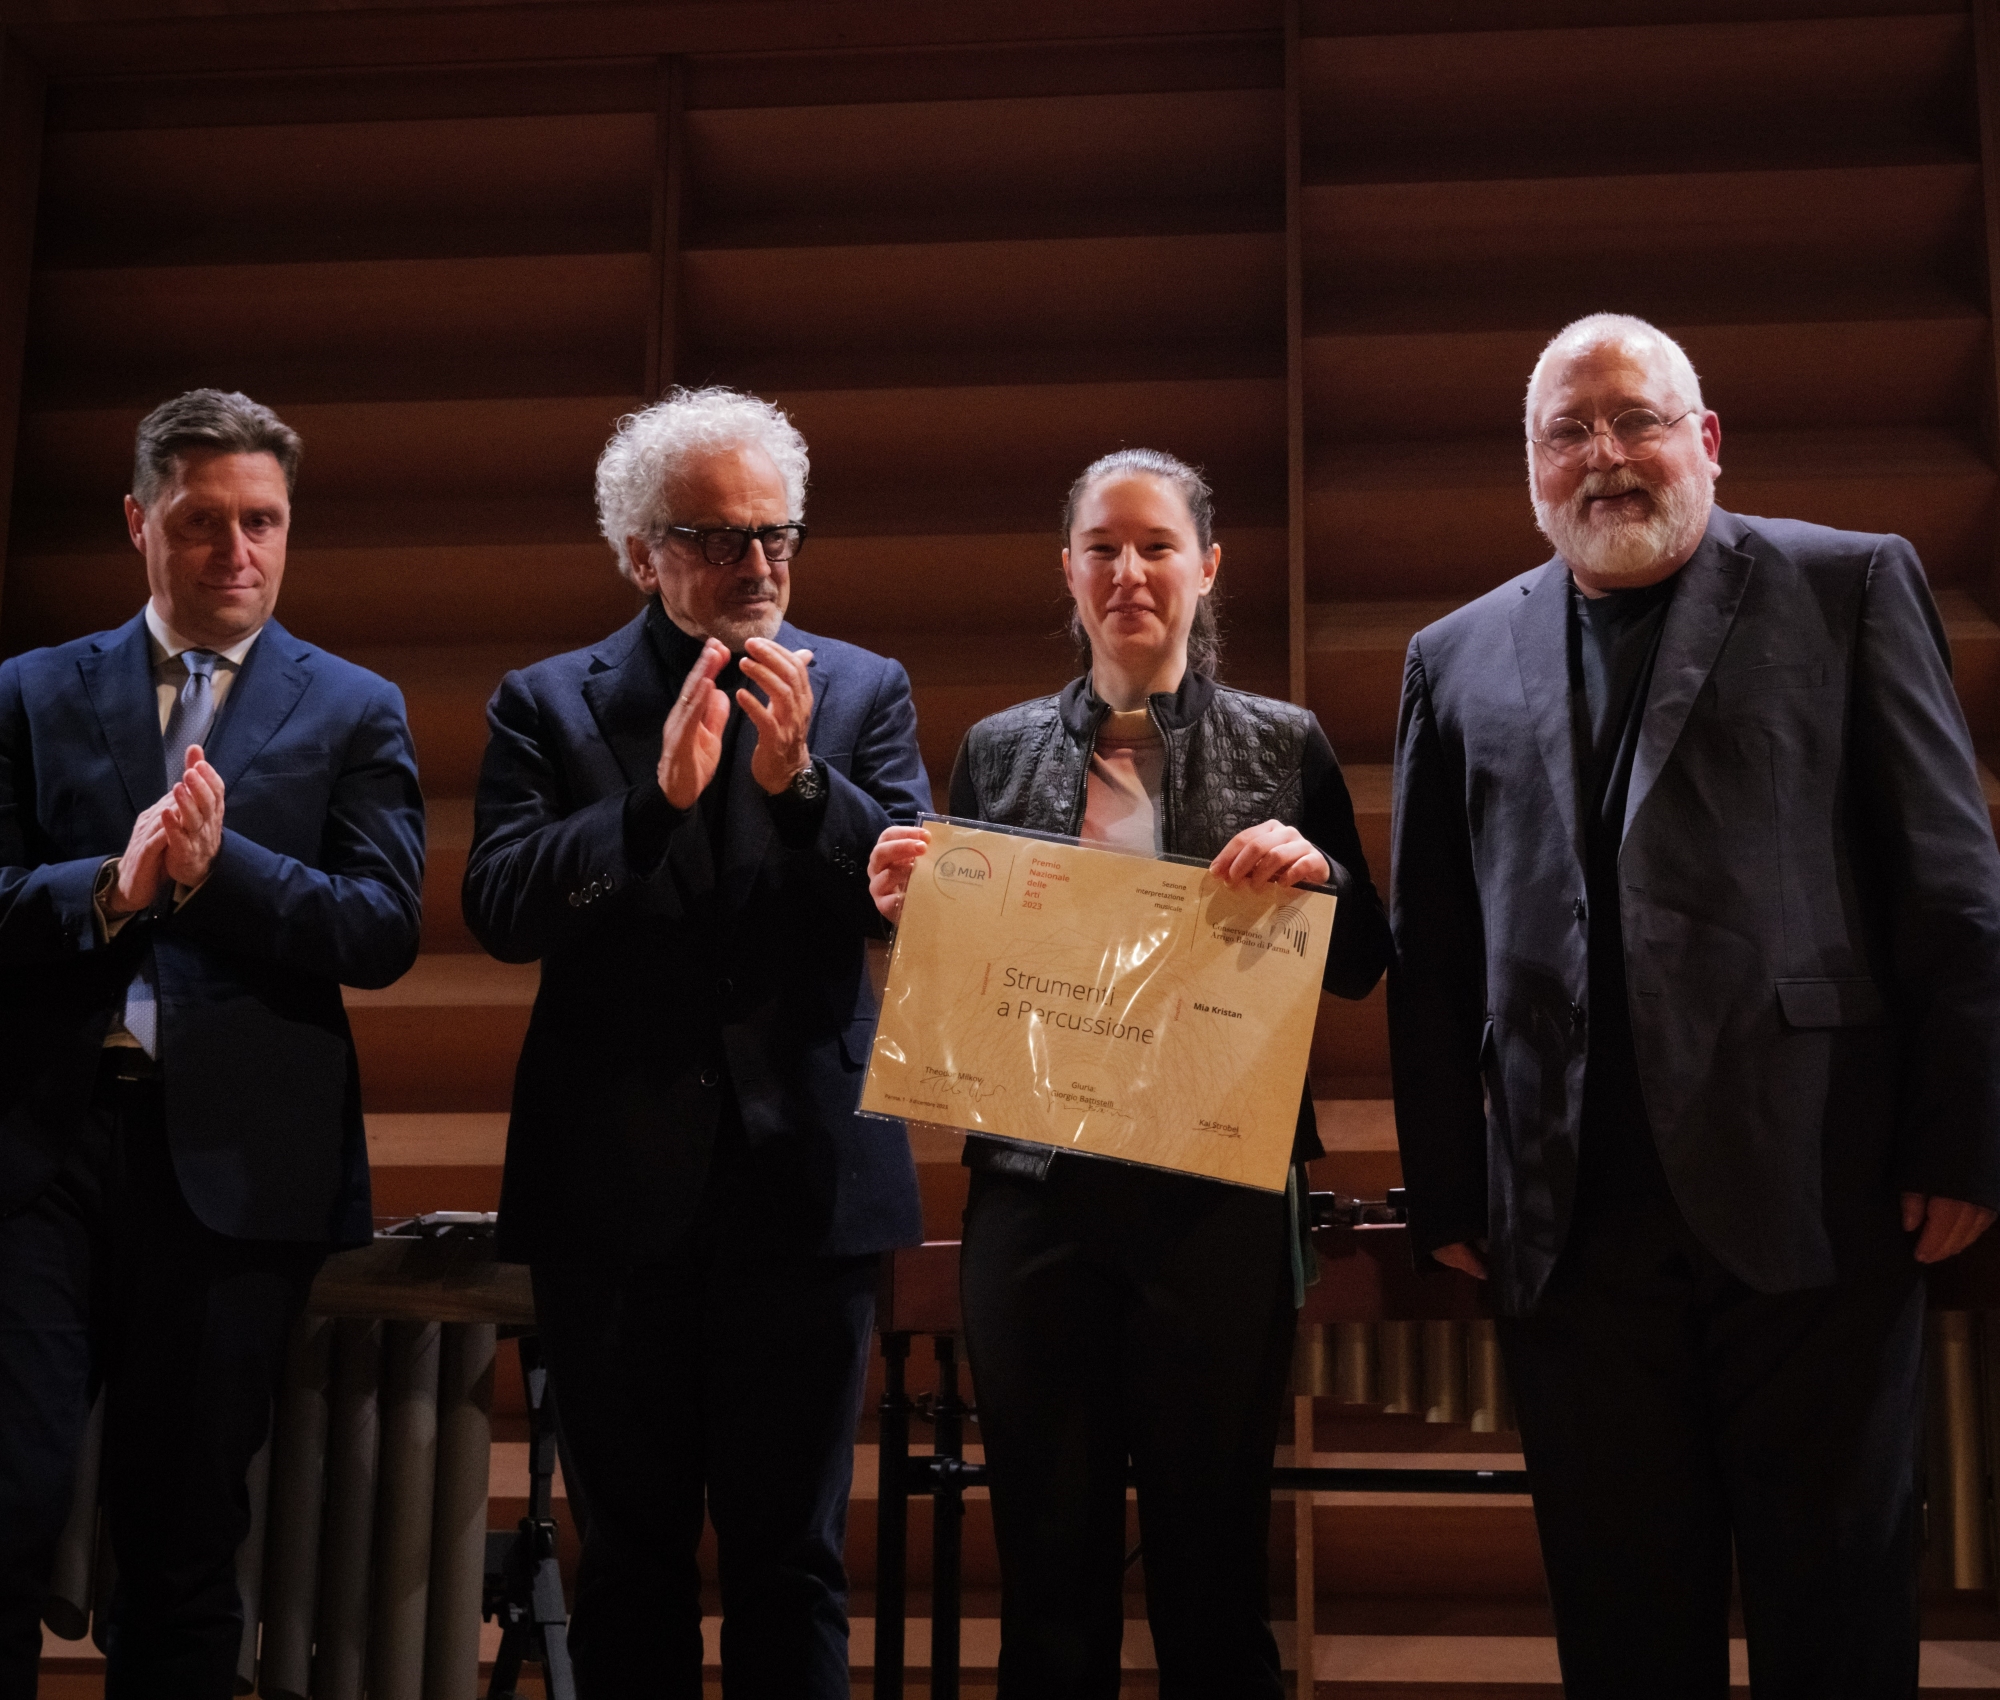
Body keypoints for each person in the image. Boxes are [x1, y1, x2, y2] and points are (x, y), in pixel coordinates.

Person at [1389, 312, 2000, 1697]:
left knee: (1836, 1618)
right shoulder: (1455, 654)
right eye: (1569, 432)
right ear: (1530, 468)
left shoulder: (1847, 584)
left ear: (1705, 441)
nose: (1605, 456)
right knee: (1622, 1631)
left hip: (1821, 1203)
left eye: (1636, 421)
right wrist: (1448, 1191)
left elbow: (1953, 889)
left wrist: (1963, 1141)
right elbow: (1435, 955)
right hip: (1569, 1233)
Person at [868, 447, 1390, 1699]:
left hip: (1215, 1200)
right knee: (1048, 1579)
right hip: (1036, 1199)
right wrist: (906, 911)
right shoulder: (994, 750)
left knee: (1213, 1576)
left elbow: (1366, 960)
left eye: (1155, 546)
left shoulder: (1285, 742)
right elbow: (974, 980)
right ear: (1068, 570)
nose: (1128, 572)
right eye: (1101, 547)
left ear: (1207, 567)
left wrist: (1315, 875)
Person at [463, 386, 929, 1699]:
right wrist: (649, 807)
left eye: (777, 535)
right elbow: (499, 907)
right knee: (630, 1565)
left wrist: (804, 791)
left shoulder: (865, 693)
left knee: (794, 1566)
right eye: (721, 539)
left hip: (807, 1193)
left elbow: (914, 903)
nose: (759, 564)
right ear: (641, 551)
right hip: (613, 1200)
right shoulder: (548, 704)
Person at [0, 389, 425, 1700]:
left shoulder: (353, 707)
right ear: (139, 524)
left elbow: (382, 926)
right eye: (200, 522)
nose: (235, 550)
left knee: (183, 1544)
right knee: (6, 1508)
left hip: (238, 1171)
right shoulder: (28, 691)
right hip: (39, 1158)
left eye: (262, 522)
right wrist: (111, 891)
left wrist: (216, 870)